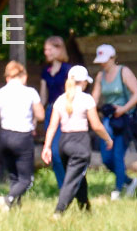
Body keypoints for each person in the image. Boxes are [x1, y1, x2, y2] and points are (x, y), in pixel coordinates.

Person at [42, 65, 113, 216]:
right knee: (72, 179)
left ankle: (85, 209)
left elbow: (52, 127)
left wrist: (47, 147)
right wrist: (107, 138)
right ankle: (58, 212)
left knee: (78, 176)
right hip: (80, 142)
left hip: (64, 142)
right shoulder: (87, 99)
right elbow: (96, 125)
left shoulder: (60, 100)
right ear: (84, 82)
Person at [0, 61, 44, 211]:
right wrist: (33, 121)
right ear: (24, 76)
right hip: (22, 137)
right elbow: (41, 115)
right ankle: (8, 199)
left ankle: (15, 207)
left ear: (7, 78)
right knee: (26, 179)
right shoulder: (30, 92)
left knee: (14, 176)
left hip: (4, 137)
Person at [90, 43, 137, 200]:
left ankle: (117, 191)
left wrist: (123, 109)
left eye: (105, 60)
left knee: (118, 155)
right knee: (107, 158)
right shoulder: (100, 76)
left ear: (113, 58)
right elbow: (95, 98)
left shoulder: (124, 72)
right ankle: (129, 181)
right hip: (109, 120)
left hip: (125, 119)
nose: (102, 63)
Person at [39, 36, 71, 188]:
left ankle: (71, 184)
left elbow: (72, 93)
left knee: (62, 152)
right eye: (45, 49)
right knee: (52, 151)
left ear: (59, 49)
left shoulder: (68, 70)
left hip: (65, 112)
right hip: (50, 112)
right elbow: (43, 96)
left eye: (49, 49)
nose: (46, 52)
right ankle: (62, 187)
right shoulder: (46, 71)